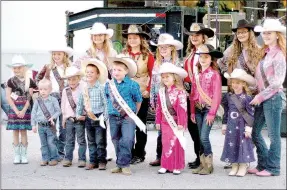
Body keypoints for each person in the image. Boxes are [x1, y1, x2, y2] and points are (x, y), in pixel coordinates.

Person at [248, 18, 286, 177]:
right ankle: (263, 164)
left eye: (269, 33)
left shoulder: (279, 55)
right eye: (264, 33)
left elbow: (277, 83)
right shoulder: (266, 53)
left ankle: (273, 167)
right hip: (263, 97)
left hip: (273, 98)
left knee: (273, 135)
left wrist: (260, 96)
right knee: (255, 132)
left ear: (277, 35)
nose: (266, 35)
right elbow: (261, 79)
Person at [183, 23, 215, 169]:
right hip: (190, 93)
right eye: (192, 35)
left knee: (199, 129)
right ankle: (199, 156)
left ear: (204, 37)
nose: (194, 37)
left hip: (201, 94)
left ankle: (203, 158)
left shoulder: (205, 52)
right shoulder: (191, 52)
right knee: (193, 127)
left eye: (197, 35)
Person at [122, 24, 155, 164]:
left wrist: (148, 89)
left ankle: (140, 153)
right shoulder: (123, 55)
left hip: (142, 93)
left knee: (140, 124)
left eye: (135, 37)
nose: (132, 40)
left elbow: (153, 74)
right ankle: (127, 151)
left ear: (141, 39)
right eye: (130, 38)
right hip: (126, 94)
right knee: (127, 124)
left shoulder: (148, 56)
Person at [149, 33, 183, 167]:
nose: (163, 49)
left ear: (172, 48)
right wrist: (153, 98)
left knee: (174, 128)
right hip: (160, 97)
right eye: (160, 47)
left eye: (166, 47)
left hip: (173, 99)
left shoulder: (177, 63)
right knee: (161, 130)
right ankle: (160, 156)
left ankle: (174, 156)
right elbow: (153, 82)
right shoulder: (157, 63)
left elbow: (180, 81)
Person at [105, 54, 142, 175]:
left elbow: (138, 100)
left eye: (119, 70)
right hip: (113, 116)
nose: (116, 72)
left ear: (126, 71)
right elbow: (107, 99)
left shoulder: (133, 85)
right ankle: (120, 163)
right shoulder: (108, 85)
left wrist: (133, 113)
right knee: (115, 139)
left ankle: (125, 164)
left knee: (127, 139)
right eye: (114, 70)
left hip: (128, 116)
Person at [36, 43, 73, 160]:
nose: (56, 56)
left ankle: (60, 151)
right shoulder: (48, 67)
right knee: (51, 126)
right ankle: (54, 152)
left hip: (66, 99)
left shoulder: (69, 68)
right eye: (54, 54)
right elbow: (38, 79)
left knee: (64, 127)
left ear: (64, 55)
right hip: (51, 98)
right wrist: (43, 90)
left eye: (59, 54)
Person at [190, 44, 223, 175]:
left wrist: (212, 113)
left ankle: (209, 165)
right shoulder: (196, 75)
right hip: (197, 109)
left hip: (208, 109)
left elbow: (217, 95)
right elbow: (193, 95)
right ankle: (202, 164)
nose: (203, 59)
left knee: (204, 137)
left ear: (211, 59)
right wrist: (192, 111)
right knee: (199, 137)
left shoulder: (215, 74)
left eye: (206, 57)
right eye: (201, 57)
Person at [221, 68, 256, 177]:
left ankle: (243, 165)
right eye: (233, 82)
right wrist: (224, 125)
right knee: (232, 144)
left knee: (243, 145)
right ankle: (234, 165)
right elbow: (226, 112)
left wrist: (248, 129)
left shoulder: (247, 98)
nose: (235, 85)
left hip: (242, 126)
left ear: (243, 84)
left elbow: (250, 114)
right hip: (231, 126)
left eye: (238, 83)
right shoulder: (229, 96)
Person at [76, 58, 108, 171]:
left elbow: (105, 103)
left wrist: (105, 117)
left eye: (92, 72)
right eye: (87, 72)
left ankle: (102, 161)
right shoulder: (83, 88)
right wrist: (78, 114)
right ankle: (93, 161)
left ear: (98, 74)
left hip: (99, 117)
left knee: (100, 141)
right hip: (88, 117)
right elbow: (80, 103)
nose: (89, 74)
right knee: (91, 141)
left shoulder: (101, 88)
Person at [155, 63, 188, 175]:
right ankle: (165, 165)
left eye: (167, 77)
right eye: (163, 77)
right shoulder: (161, 91)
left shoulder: (180, 91)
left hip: (176, 121)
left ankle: (177, 165)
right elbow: (159, 107)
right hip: (165, 121)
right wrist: (158, 120)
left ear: (174, 77)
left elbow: (182, 108)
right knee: (166, 142)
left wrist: (181, 122)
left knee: (177, 143)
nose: (165, 79)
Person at [5, 55, 36, 164]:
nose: (17, 70)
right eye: (15, 68)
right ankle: (17, 155)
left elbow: (29, 96)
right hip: (14, 108)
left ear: (25, 68)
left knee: (23, 131)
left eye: (19, 67)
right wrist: (15, 110)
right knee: (15, 131)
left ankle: (24, 155)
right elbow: (8, 96)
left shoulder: (29, 81)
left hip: (25, 107)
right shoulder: (10, 81)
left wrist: (23, 110)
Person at [31, 79, 61, 166]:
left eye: (45, 89)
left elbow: (58, 111)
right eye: (41, 89)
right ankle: (45, 158)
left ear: (50, 90)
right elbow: (33, 113)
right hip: (40, 126)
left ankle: (54, 158)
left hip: (50, 126)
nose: (43, 91)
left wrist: (53, 117)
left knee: (51, 143)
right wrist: (33, 125)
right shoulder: (37, 101)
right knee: (43, 143)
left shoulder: (53, 100)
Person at [61, 66, 87, 168]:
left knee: (81, 140)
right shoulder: (65, 91)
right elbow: (63, 105)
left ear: (79, 79)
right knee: (69, 140)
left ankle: (82, 159)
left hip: (79, 119)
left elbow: (86, 103)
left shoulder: (83, 89)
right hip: (69, 119)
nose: (72, 81)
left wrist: (84, 115)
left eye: (74, 79)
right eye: (70, 79)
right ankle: (68, 158)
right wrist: (63, 118)